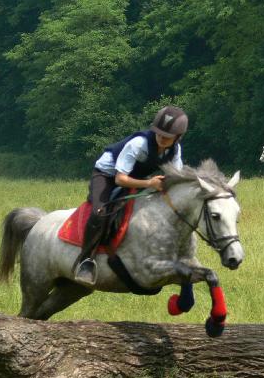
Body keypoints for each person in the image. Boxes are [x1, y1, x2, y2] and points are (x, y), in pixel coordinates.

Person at [74, 105, 188, 284]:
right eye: (159, 133)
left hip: (135, 177)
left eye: (167, 137)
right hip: (107, 175)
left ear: (178, 137)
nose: (161, 138)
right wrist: (150, 183)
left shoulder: (175, 150)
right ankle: (85, 262)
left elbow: (174, 177)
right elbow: (120, 179)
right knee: (99, 212)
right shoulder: (139, 144)